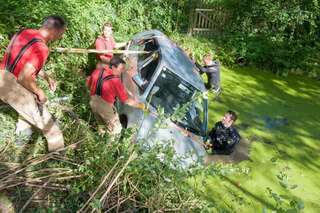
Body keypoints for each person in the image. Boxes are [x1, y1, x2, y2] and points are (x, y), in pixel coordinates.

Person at [0, 15, 66, 151]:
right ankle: (58, 157)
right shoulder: (42, 47)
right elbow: (24, 77)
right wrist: (39, 92)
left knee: (27, 113)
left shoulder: (24, 33)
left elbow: (22, 62)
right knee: (49, 124)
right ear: (55, 32)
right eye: (61, 33)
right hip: (10, 85)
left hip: (2, 74)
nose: (61, 37)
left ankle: (18, 146)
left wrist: (46, 76)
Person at [87, 56, 144, 135]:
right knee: (116, 130)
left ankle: (99, 140)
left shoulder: (98, 71)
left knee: (102, 126)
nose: (122, 71)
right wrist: (139, 105)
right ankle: (108, 146)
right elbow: (126, 100)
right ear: (113, 67)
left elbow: (88, 84)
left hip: (93, 102)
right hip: (104, 106)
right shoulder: (115, 81)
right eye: (121, 69)